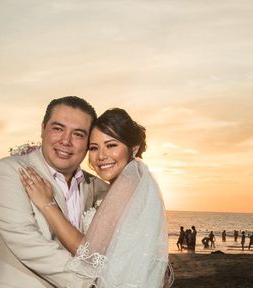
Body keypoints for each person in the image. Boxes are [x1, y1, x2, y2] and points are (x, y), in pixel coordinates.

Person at [21, 107, 172, 288]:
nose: (101, 156)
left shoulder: (127, 185)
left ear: (133, 148)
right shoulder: (137, 183)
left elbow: (88, 254)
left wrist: (47, 204)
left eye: (111, 145)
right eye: (94, 148)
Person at [0, 96, 109, 288]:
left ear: (88, 142)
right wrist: (93, 283)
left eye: (78, 134)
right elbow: (27, 242)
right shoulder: (9, 172)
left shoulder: (99, 188)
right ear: (43, 129)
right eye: (58, 129)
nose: (65, 141)